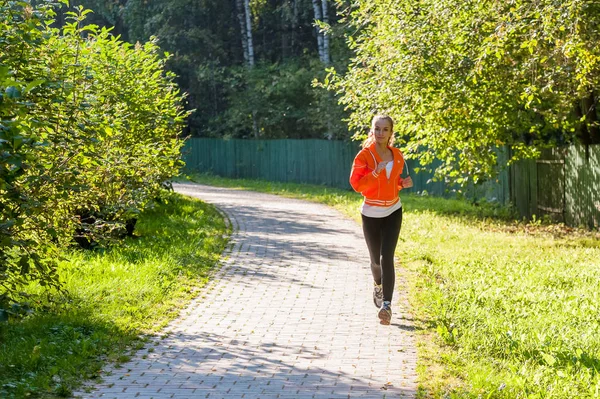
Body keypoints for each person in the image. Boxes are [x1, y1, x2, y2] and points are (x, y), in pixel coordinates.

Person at [349, 115, 413, 325]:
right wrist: (375, 173)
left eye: (385, 130)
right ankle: (377, 284)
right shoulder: (364, 156)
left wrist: (403, 184)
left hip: (394, 210)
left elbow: (392, 184)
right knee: (376, 261)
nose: (380, 133)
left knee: (388, 257)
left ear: (391, 132)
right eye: (377, 129)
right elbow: (357, 185)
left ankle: (387, 306)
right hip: (371, 214)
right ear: (372, 130)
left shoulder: (397, 155)